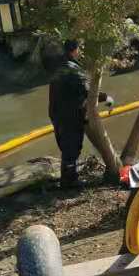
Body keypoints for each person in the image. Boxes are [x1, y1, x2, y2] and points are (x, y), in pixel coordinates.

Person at [48, 39, 89, 189]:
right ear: (75, 50)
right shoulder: (74, 70)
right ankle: (69, 182)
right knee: (72, 148)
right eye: (79, 49)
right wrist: (106, 98)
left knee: (66, 147)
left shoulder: (59, 66)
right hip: (71, 116)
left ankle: (67, 179)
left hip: (57, 114)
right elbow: (87, 92)